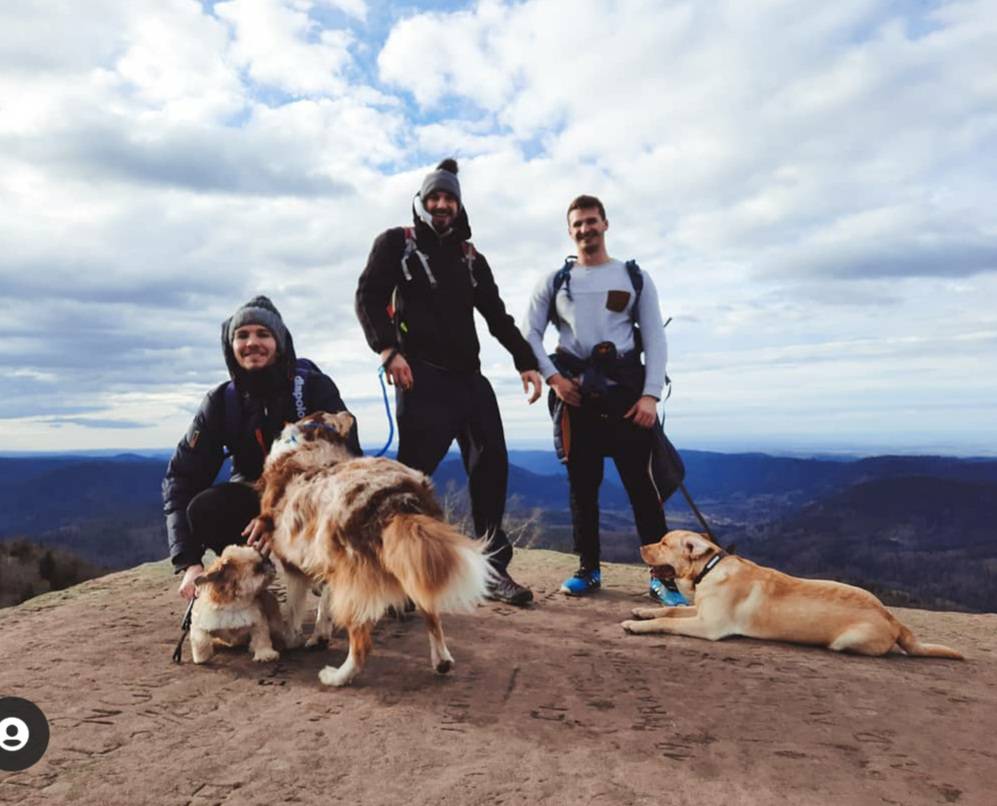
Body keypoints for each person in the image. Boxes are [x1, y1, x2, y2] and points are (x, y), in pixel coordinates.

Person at [355, 158, 543, 606]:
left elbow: (496, 316)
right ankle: (394, 576)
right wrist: (388, 350)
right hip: (420, 378)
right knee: (411, 483)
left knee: (491, 465)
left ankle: (493, 570)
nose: (441, 204)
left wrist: (525, 360)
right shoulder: (395, 244)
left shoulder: (470, 258)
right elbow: (368, 295)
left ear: (458, 205)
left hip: (470, 381)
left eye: (449, 198)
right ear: (421, 201)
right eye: (434, 197)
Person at [521, 195, 688, 605]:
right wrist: (555, 379)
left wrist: (650, 396)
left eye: (591, 222)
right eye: (577, 224)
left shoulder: (633, 277)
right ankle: (588, 569)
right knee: (582, 487)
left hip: (626, 395)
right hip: (576, 396)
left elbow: (655, 337)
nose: (585, 230)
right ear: (570, 230)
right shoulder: (555, 281)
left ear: (605, 224)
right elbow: (529, 335)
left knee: (642, 486)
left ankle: (660, 577)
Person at [163, 296, 360, 600]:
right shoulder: (221, 402)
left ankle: (336, 570)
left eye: (263, 334)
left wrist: (282, 515)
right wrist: (189, 563)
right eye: (242, 335)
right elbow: (181, 479)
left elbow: (347, 465)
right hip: (254, 496)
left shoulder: (315, 389)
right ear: (231, 346)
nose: (251, 342)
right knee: (205, 508)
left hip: (315, 502)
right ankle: (255, 578)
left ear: (279, 343)